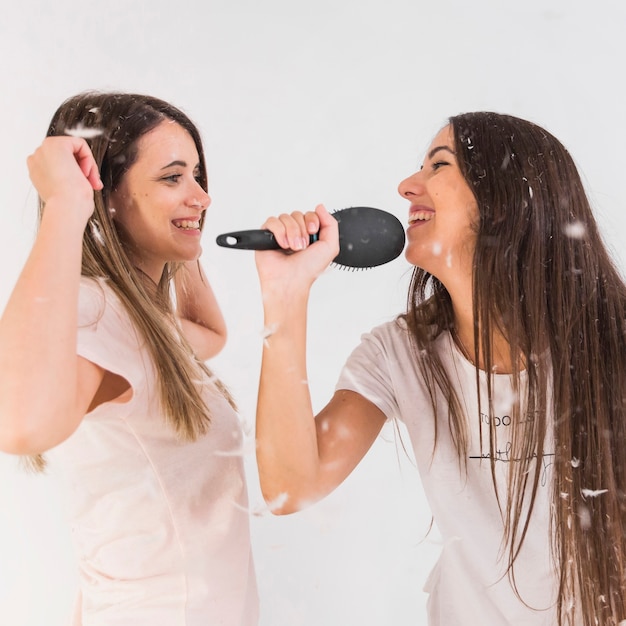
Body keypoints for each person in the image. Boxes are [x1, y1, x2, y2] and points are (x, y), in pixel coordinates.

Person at [253, 112, 626, 625]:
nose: (408, 187)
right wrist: (285, 297)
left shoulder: (615, 338)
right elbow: (289, 486)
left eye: (438, 165)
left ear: (507, 195)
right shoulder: (399, 354)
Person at [0, 91, 258, 625]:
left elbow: (209, 335)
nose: (202, 196)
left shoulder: (138, 317)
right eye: (173, 178)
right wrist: (68, 205)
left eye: (197, 176)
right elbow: (17, 426)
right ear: (106, 194)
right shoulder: (93, 310)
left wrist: (178, 235)